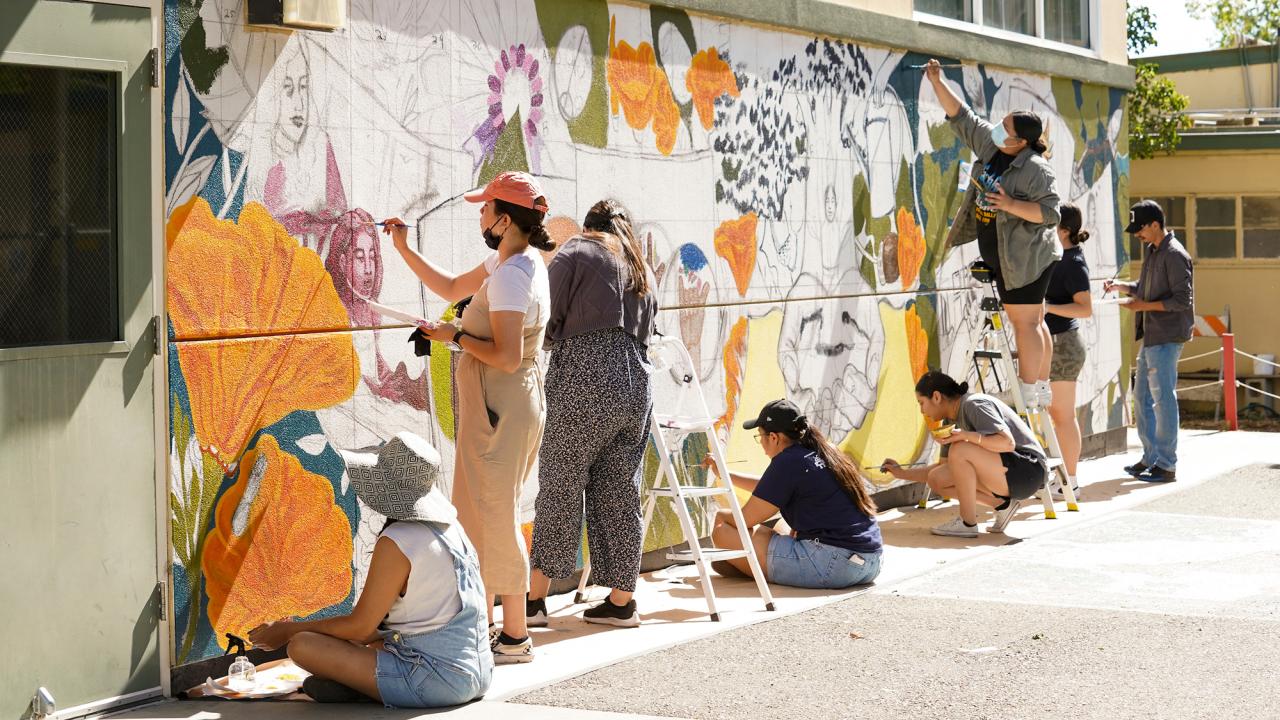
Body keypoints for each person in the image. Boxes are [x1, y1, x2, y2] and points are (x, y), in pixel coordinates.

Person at [383, 171, 554, 663]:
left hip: (501, 406)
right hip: (501, 405)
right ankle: (491, 626)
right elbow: (453, 285)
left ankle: (516, 637)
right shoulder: (512, 262)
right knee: (482, 513)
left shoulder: (513, 275)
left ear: (504, 219)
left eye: (485, 208)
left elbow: (503, 355)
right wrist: (402, 246)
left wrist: (452, 336)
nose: (478, 214)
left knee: (496, 516)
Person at [246, 432, 492, 708]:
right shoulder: (450, 529)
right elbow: (389, 626)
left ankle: (365, 688)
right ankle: (364, 686)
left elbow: (361, 628)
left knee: (302, 645)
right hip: (478, 674)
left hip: (434, 680)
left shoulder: (400, 539)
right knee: (364, 643)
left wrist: (287, 630)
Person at [526, 200, 659, 628]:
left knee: (561, 483)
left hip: (585, 379)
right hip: (637, 384)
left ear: (588, 225)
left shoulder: (578, 250)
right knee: (620, 489)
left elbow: (545, 314)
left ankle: (534, 601)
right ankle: (622, 601)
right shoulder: (642, 267)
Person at [925, 58, 1062, 408]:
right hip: (1006, 255)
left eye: (1006, 130)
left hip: (1027, 258)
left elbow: (1050, 213)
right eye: (1000, 125)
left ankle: (1030, 390)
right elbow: (962, 116)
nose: (998, 130)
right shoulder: (993, 147)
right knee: (1034, 320)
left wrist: (1009, 203)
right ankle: (1040, 385)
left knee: (1025, 322)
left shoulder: (1035, 169)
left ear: (1022, 143)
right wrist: (937, 81)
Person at [705, 399, 882, 589]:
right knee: (782, 524)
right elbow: (771, 488)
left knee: (723, 525)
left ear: (774, 437)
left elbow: (747, 519)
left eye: (760, 437)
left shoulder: (787, 462)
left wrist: (725, 539)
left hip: (832, 564)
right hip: (870, 564)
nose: (761, 444)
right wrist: (725, 475)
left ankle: (745, 565)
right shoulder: (823, 451)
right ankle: (747, 564)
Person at [884, 372, 1047, 538]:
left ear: (936, 397)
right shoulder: (950, 420)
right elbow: (944, 468)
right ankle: (1003, 506)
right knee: (936, 479)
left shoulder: (973, 404)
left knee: (960, 449)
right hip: (1010, 474)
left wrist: (966, 436)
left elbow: (1007, 443)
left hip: (1029, 471)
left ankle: (967, 523)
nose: (921, 410)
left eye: (921, 403)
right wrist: (901, 473)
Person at [1104, 200, 1194, 482]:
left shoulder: (1176, 254)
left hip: (1167, 338)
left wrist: (1141, 306)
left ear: (1155, 225)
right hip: (1153, 337)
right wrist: (1122, 287)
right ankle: (1151, 457)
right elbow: (1145, 290)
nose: (1137, 235)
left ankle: (1167, 465)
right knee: (1141, 398)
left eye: (1140, 229)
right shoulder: (1154, 251)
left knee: (1162, 400)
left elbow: (1182, 300)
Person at [1044, 203, 1093, 497]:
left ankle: (1070, 481)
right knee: (1057, 414)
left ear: (1064, 230)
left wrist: (1047, 307)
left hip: (1065, 344)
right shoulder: (1060, 256)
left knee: (1062, 416)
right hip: (1057, 343)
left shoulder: (1073, 262)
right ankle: (1064, 478)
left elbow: (1085, 309)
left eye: (1050, 225)